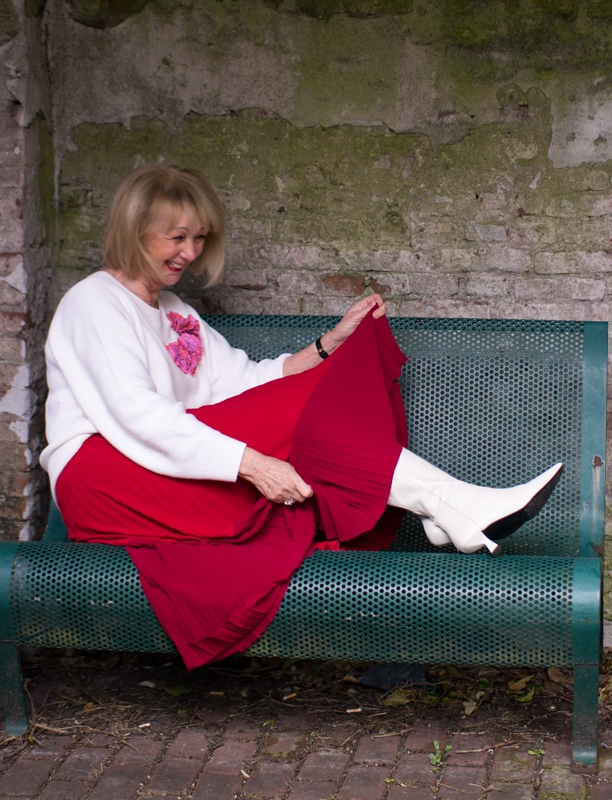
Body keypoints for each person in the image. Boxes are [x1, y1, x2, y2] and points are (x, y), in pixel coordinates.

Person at [40, 164, 563, 669]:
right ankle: (452, 507)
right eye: (176, 237)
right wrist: (252, 464)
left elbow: (240, 382)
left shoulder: (174, 309)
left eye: (199, 238)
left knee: (321, 388)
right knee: (309, 411)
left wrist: (327, 346)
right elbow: (137, 416)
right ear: (134, 231)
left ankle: (449, 508)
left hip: (167, 460)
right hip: (103, 475)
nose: (191, 253)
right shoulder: (95, 303)